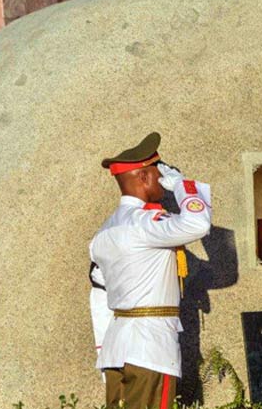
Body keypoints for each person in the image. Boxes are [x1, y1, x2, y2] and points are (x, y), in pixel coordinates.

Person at [90, 132, 212, 409]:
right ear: (144, 177)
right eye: (159, 175)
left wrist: (101, 347)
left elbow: (98, 293)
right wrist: (183, 185)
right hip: (150, 348)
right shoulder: (146, 223)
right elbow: (197, 225)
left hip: (116, 348)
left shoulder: (104, 231)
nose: (164, 184)